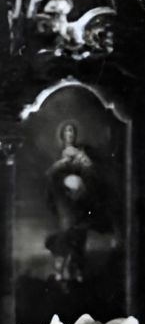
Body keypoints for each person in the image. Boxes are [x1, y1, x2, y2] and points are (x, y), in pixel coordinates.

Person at [45, 120, 103, 285]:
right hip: (64, 200)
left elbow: (90, 173)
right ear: (62, 136)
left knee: (79, 233)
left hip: (79, 200)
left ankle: (77, 270)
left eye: (72, 132)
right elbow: (50, 177)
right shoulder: (58, 155)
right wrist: (61, 167)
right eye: (67, 132)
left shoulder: (81, 154)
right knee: (66, 230)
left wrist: (82, 167)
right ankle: (60, 271)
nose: (70, 134)